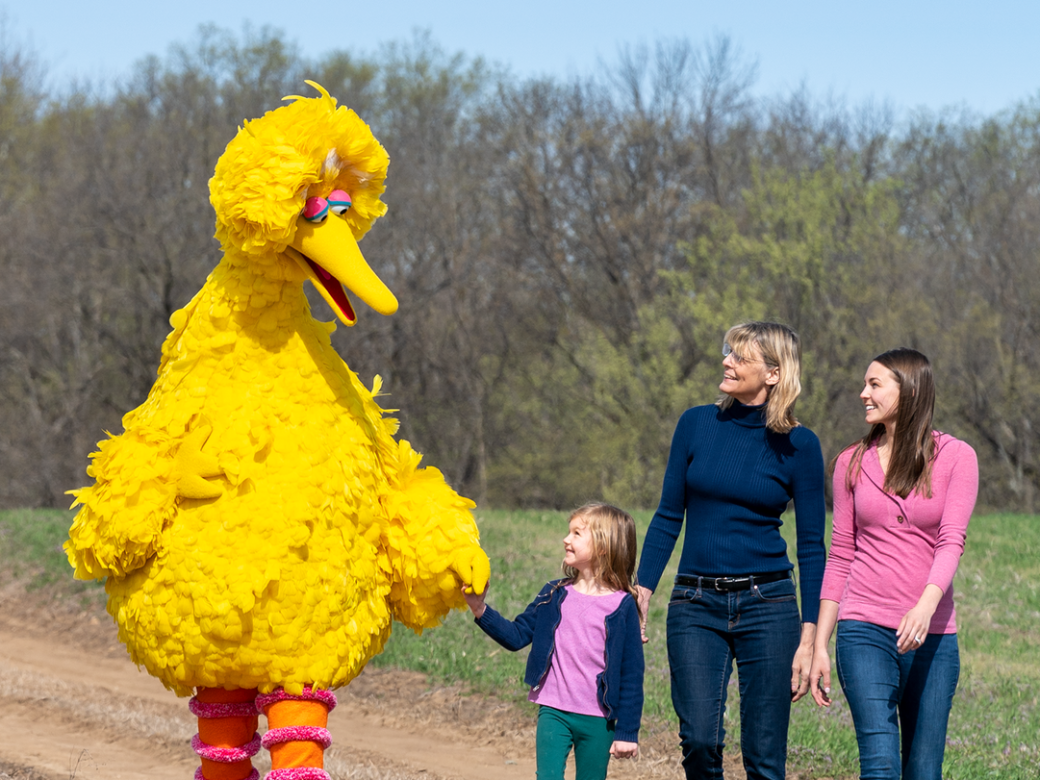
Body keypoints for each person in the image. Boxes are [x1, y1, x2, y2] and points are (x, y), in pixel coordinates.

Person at [635, 321, 827, 780]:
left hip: (770, 605)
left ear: (774, 373)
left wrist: (810, 633)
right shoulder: (695, 423)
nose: (726, 361)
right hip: (695, 603)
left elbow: (813, 547)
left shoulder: (800, 445)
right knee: (699, 741)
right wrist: (642, 587)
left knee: (764, 756)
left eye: (740, 357)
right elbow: (667, 515)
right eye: (728, 351)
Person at [809, 348, 977, 780]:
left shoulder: (957, 457)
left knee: (923, 770)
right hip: (864, 628)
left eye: (875, 384)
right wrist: (819, 644)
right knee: (880, 764)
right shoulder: (850, 463)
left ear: (910, 390)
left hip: (933, 637)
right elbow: (841, 553)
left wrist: (925, 606)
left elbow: (951, 541)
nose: (862, 393)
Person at [463, 502, 644, 780]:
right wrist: (479, 609)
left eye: (576, 534)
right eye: (568, 532)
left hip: (598, 719)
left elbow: (632, 672)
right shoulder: (553, 594)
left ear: (603, 546)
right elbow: (516, 636)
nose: (566, 539)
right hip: (554, 711)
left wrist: (627, 732)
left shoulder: (622, 606)